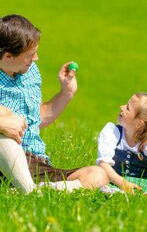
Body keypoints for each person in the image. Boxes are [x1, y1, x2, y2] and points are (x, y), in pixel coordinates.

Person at [0, 14, 108, 193]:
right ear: (9, 56)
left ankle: (33, 188)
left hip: (37, 163)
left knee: (97, 175)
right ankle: (30, 192)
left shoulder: (31, 72)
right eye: (30, 55)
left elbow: (36, 119)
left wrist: (66, 93)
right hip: (5, 155)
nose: (36, 59)